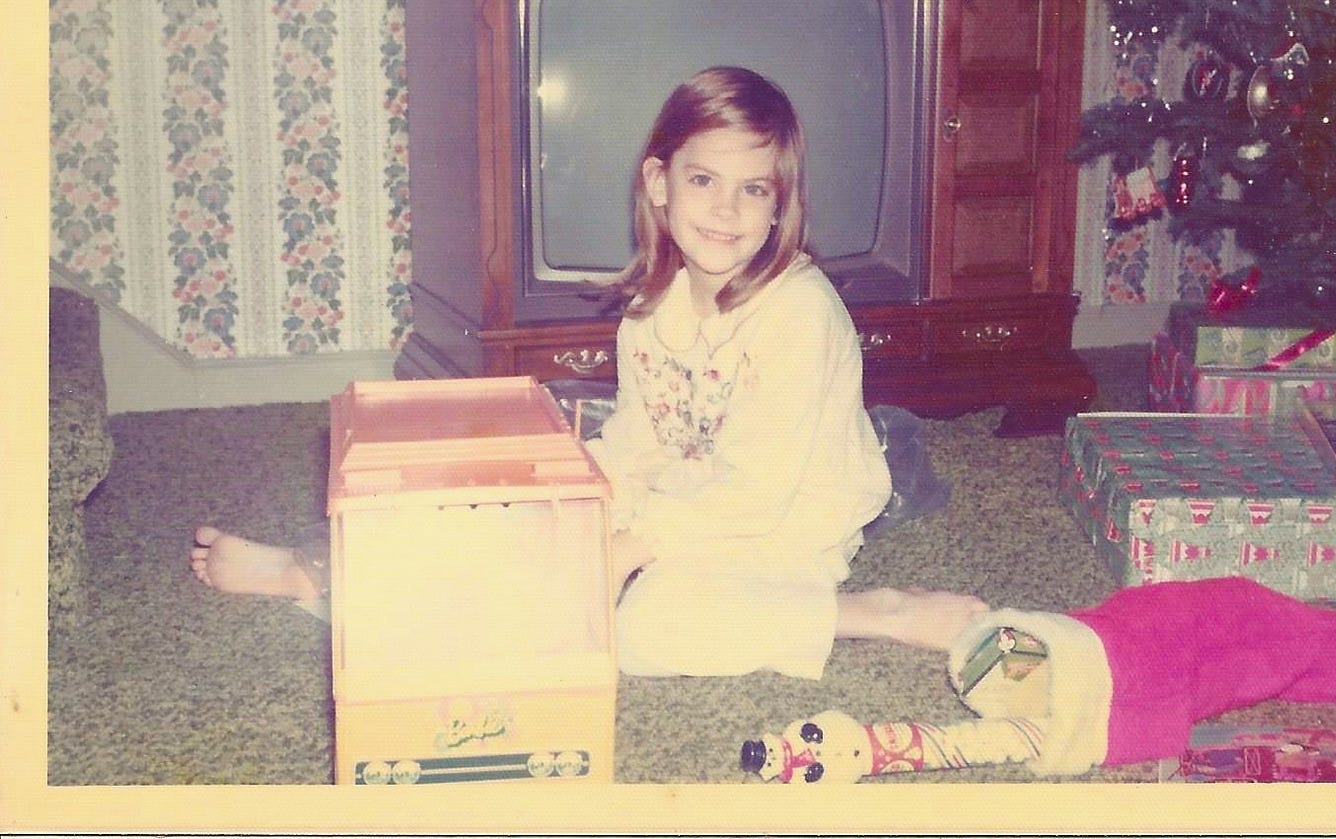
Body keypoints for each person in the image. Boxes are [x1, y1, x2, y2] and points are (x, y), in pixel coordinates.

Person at [191, 66, 985, 678]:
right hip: (678, 493)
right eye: (704, 180)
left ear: (782, 207)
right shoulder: (652, 308)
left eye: (755, 191)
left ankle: (873, 612)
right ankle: (321, 573)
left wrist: (631, 545)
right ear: (658, 184)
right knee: (517, 527)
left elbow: (756, 492)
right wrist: (575, 503)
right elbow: (639, 435)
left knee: (642, 631)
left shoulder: (800, 316)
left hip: (780, 525)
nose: (726, 209)